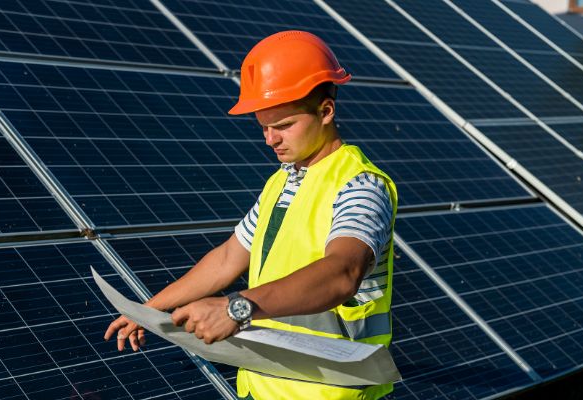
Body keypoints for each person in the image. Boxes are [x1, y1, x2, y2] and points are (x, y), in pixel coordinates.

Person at [104, 30, 398, 400]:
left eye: (284, 125)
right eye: (263, 126)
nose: (269, 140)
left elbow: (342, 273)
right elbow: (228, 258)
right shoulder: (282, 183)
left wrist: (237, 307)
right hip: (264, 387)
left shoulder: (360, 186)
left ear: (326, 111)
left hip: (327, 393)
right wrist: (149, 310)